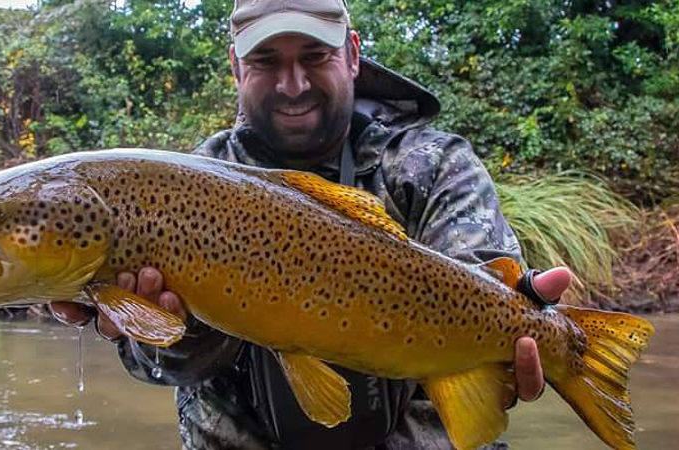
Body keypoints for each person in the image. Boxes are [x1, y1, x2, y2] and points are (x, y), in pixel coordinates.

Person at [51, 0, 573, 448]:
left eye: (314, 56)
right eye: (266, 60)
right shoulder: (182, 186)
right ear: (236, 68)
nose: (293, 84)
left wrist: (521, 317)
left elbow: (478, 279)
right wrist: (168, 330)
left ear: (352, 53)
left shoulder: (433, 164)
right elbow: (153, 367)